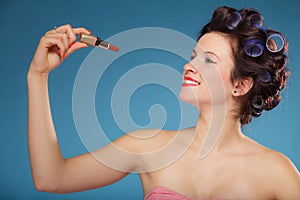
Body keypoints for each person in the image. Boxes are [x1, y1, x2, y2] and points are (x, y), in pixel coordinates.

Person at [27, 6, 300, 199]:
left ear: (240, 85)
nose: (188, 66)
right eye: (193, 56)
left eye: (207, 60)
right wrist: (37, 77)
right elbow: (50, 178)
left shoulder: (277, 171)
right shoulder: (147, 145)